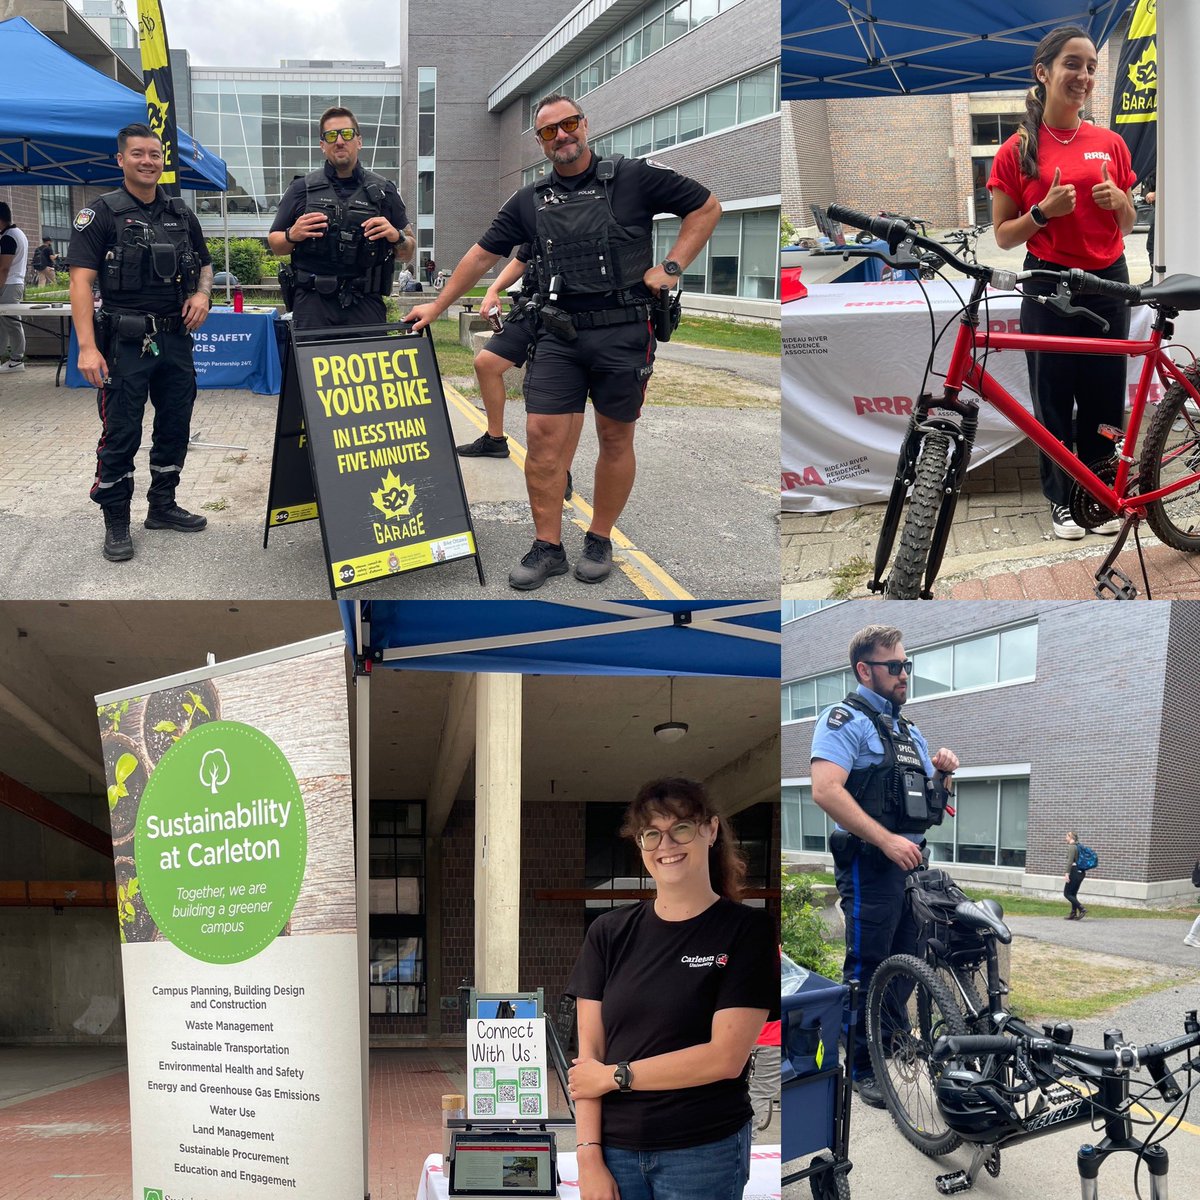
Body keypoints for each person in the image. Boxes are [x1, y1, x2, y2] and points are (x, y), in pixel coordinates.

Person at [405, 93, 721, 591]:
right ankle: (547, 545)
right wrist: (438, 305)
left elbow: (705, 206)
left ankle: (599, 536)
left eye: (568, 124)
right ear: (541, 141)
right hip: (558, 332)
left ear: (584, 124)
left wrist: (672, 269)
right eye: (550, 131)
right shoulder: (529, 200)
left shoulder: (633, 177)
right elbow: (480, 256)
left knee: (616, 438)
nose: (562, 136)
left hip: (623, 332)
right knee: (542, 439)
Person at [565, 777, 775, 1200]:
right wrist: (588, 1158)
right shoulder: (608, 933)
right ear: (640, 845)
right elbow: (589, 1060)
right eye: (651, 834)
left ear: (710, 831)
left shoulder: (747, 931)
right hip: (615, 1151)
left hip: (703, 1151)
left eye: (681, 827)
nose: (666, 844)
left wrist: (617, 1076)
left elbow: (724, 1058)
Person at [988, 26, 1138, 542]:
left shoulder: (1111, 143)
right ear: (1044, 72)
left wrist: (1122, 203)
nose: (1085, 76)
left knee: (1104, 396)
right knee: (1052, 399)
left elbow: (1127, 225)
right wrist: (1042, 213)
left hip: (1109, 284)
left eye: (1092, 66)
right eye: (1073, 64)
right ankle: (1062, 502)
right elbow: (1005, 236)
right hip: (1049, 284)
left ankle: (1098, 495)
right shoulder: (1017, 149)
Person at [810, 624, 958, 1109]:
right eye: (894, 666)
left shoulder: (909, 730)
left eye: (906, 665)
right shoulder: (842, 720)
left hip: (910, 867)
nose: (903, 675)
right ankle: (863, 1066)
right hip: (870, 864)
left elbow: (927, 807)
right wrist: (886, 840)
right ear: (864, 670)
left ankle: (892, 1040)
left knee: (906, 962)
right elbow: (826, 790)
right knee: (868, 964)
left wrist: (942, 775)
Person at [68, 123, 213, 562]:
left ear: (162, 162)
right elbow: (79, 282)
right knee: (122, 432)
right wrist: (87, 348)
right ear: (121, 160)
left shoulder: (182, 214)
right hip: (124, 343)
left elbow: (205, 265)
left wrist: (203, 293)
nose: (148, 161)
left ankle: (162, 506)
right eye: (138, 154)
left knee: (175, 426)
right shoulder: (101, 214)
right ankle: (116, 521)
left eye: (154, 154)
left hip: (175, 340)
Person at [268, 107, 414, 331]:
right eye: (331, 136)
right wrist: (292, 234)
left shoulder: (385, 191)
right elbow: (276, 244)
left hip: (365, 304)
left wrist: (396, 236)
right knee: (309, 366)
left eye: (346, 134)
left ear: (359, 141)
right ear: (322, 145)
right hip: (312, 305)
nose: (339, 141)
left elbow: (408, 251)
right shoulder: (301, 189)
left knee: (369, 367)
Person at [457, 245, 584, 502]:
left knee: (571, 392)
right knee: (486, 363)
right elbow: (521, 260)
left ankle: (564, 471)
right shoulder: (539, 210)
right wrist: (493, 289)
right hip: (532, 308)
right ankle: (495, 439)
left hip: (575, 314)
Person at [0, 201, 29, 372]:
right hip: (13, 283)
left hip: (9, 284)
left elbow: (3, 268)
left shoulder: (9, 237)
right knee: (6, 322)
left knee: (11, 322)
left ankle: (17, 359)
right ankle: (10, 357)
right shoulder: (15, 233)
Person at [1063, 831, 1088, 920]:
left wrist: (1067, 874)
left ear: (1071, 837)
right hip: (1081, 872)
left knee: (1066, 893)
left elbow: (1070, 861)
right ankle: (1073, 913)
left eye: (1067, 836)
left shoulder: (1072, 847)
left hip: (1074, 871)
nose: (1065, 838)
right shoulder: (1079, 846)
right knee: (1073, 894)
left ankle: (1082, 908)